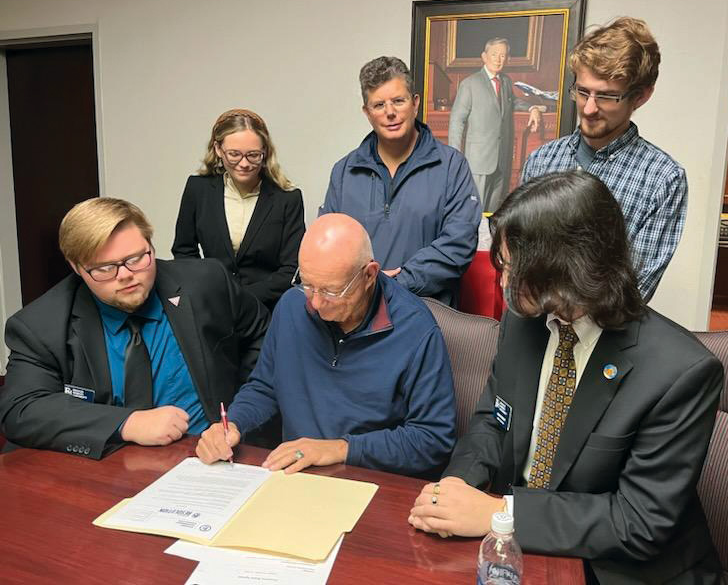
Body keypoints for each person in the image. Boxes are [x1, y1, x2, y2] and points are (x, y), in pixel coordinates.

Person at [409, 171, 723, 584]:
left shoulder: (680, 372)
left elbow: (638, 522)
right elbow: (493, 421)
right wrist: (454, 489)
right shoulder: (524, 323)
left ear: (566, 268)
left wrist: (499, 512)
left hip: (620, 569)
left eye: (513, 267)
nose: (502, 282)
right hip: (518, 548)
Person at [0, 198, 269, 459]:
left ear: (151, 245)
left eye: (137, 258)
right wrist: (127, 423)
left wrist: (240, 411)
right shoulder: (40, 325)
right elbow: (21, 409)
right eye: (105, 268)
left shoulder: (206, 282)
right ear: (77, 267)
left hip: (207, 458)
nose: (126, 275)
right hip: (108, 466)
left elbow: (264, 338)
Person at [196, 213, 457, 478]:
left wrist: (341, 449)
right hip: (296, 476)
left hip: (370, 482)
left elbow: (432, 440)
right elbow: (265, 387)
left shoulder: (415, 331)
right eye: (308, 284)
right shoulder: (292, 307)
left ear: (370, 275)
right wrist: (233, 424)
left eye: (332, 292)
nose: (317, 304)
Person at [520, 17, 686, 302]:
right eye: (583, 92)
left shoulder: (663, 179)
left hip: (603, 339)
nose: (590, 108)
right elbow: (519, 256)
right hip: (530, 327)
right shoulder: (541, 160)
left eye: (608, 97)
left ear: (641, 96)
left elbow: (631, 290)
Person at [319, 56, 481, 307]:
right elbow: (328, 244)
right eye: (379, 105)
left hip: (427, 314)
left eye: (398, 101)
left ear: (415, 103)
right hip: (356, 317)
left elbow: (459, 244)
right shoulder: (344, 172)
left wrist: (397, 283)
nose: (390, 113)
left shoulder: (451, 167)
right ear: (367, 113)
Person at [172, 108, 305, 311]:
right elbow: (184, 251)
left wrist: (240, 298)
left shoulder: (287, 199)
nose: (244, 164)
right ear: (218, 149)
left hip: (267, 310)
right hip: (211, 307)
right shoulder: (198, 189)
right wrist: (206, 290)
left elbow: (291, 269)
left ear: (265, 152)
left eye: (253, 155)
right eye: (234, 154)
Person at [448, 37, 544, 212]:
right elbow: (456, 121)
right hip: (478, 160)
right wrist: (455, 158)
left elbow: (513, 101)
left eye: (503, 55)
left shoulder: (505, 82)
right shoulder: (469, 84)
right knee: (474, 212)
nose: (499, 59)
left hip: (501, 159)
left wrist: (533, 107)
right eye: (495, 54)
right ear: (484, 56)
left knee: (493, 213)